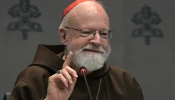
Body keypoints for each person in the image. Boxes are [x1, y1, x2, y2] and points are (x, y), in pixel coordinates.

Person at [9, 0, 144, 100]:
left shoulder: (125, 82)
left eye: (103, 34)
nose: (97, 41)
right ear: (64, 36)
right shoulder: (35, 78)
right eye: (86, 32)